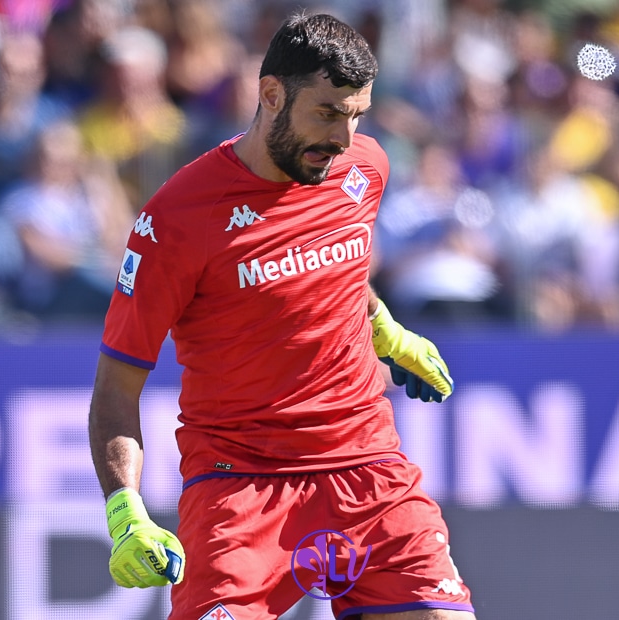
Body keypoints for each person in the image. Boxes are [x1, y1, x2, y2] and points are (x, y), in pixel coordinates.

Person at [88, 12, 475, 620]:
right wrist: (125, 512)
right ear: (271, 94)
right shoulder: (176, 220)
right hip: (241, 486)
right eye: (327, 114)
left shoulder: (364, 169)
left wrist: (387, 333)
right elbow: (115, 388)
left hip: (369, 469)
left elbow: (337, 273)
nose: (343, 139)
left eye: (356, 117)